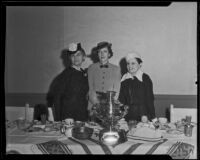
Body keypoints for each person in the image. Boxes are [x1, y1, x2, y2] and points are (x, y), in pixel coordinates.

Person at [46, 43, 89, 121]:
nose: (75, 58)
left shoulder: (85, 74)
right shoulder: (64, 75)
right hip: (68, 117)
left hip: (82, 116)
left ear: (84, 57)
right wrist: (59, 119)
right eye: (73, 56)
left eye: (78, 55)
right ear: (70, 58)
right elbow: (56, 98)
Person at [118, 52, 156, 122]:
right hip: (128, 117)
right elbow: (121, 100)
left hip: (143, 116)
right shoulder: (124, 79)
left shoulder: (145, 78)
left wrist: (153, 117)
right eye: (128, 64)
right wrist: (121, 116)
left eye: (133, 63)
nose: (130, 66)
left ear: (140, 64)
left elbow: (150, 99)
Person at [87, 41, 121, 117]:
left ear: (109, 54)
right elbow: (91, 89)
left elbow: (116, 91)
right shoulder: (91, 68)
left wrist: (109, 106)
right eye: (100, 52)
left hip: (110, 105)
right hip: (94, 104)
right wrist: (97, 105)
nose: (102, 54)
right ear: (97, 54)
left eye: (105, 51)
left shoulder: (116, 69)